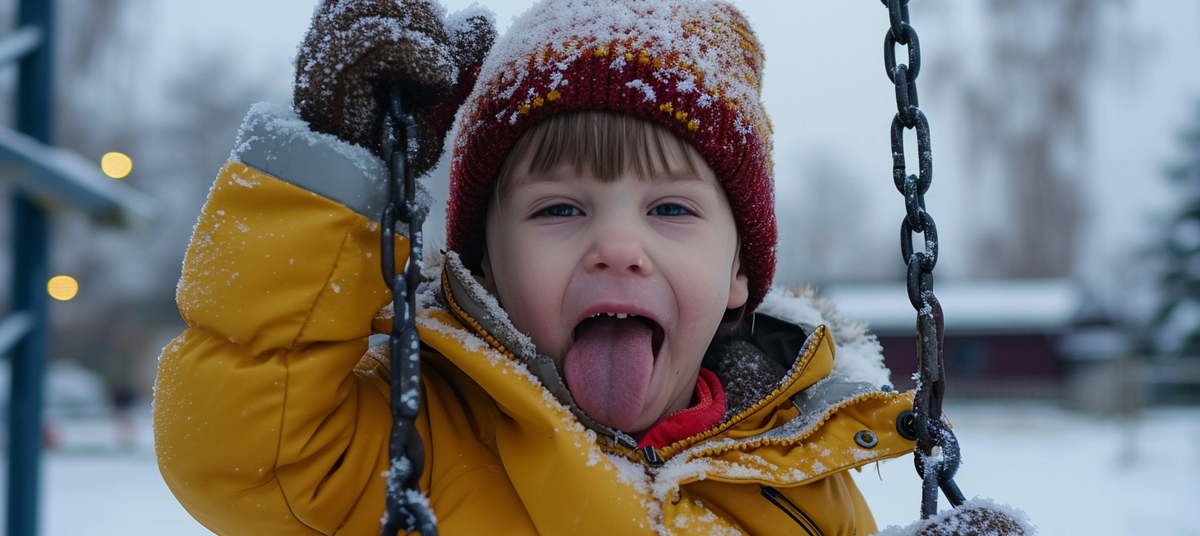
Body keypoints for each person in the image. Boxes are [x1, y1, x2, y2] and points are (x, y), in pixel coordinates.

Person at [154, 0, 1026, 534]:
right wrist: (338, 162)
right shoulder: (408, 440)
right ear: (487, 262)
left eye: (672, 211)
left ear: (738, 277)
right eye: (559, 209)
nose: (617, 247)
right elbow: (236, 449)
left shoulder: (800, 473)